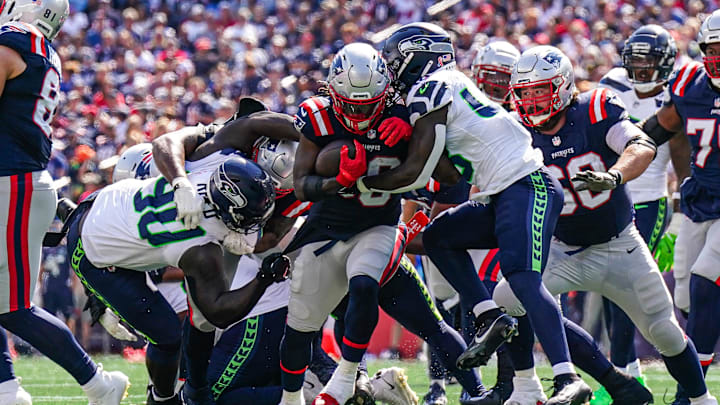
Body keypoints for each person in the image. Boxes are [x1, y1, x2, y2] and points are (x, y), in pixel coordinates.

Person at [153, 99, 491, 405]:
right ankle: (470, 392)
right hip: (377, 250)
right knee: (412, 325)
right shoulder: (334, 140)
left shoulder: (292, 177)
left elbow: (279, 223)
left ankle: (334, 388)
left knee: (311, 328)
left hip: (338, 255)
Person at [363, 22, 592, 402]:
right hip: (501, 192)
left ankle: (568, 379)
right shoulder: (445, 86)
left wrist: (360, 183)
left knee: (522, 279)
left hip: (526, 184)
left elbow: (416, 169)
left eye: (393, 60)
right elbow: (447, 171)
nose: (389, 69)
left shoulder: (429, 87)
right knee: (437, 237)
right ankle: (489, 315)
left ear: (417, 57)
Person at [493, 45, 714, 405]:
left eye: (540, 91)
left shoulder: (594, 109)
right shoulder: (516, 129)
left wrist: (614, 176)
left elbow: (640, 145)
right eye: (525, 93)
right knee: (508, 299)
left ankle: (703, 400)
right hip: (559, 248)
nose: (532, 102)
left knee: (665, 332)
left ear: (563, 87)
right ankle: (542, 387)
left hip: (618, 245)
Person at [63, 155, 289, 405]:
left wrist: (180, 181)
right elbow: (217, 310)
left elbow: (171, 144)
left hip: (100, 215)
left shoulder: (196, 164)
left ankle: (171, 393)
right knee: (172, 338)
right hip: (99, 249)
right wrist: (266, 276)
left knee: (185, 337)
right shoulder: (199, 242)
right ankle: (162, 398)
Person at [0, 0, 130, 403]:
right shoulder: (42, 51)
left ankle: (94, 384)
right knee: (8, 305)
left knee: (15, 307)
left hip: (11, 182)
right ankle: (9, 389)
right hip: (18, 182)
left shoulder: (13, 43)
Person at [638, 9, 720, 404]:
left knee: (707, 282)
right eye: (714, 49)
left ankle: (693, 392)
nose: (719, 56)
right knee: (686, 299)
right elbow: (661, 125)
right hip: (698, 201)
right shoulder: (691, 84)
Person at [592, 24, 677, 403]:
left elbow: (684, 150)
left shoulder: (681, 88)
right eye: (636, 64)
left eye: (649, 65)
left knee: (624, 290)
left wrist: (680, 207)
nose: (641, 71)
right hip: (616, 193)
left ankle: (623, 378)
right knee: (615, 290)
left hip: (652, 198)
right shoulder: (612, 84)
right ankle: (628, 376)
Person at [472, 40, 521, 111]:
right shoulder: (460, 107)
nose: (498, 83)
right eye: (493, 76)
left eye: (505, 78)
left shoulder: (515, 118)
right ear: (479, 74)